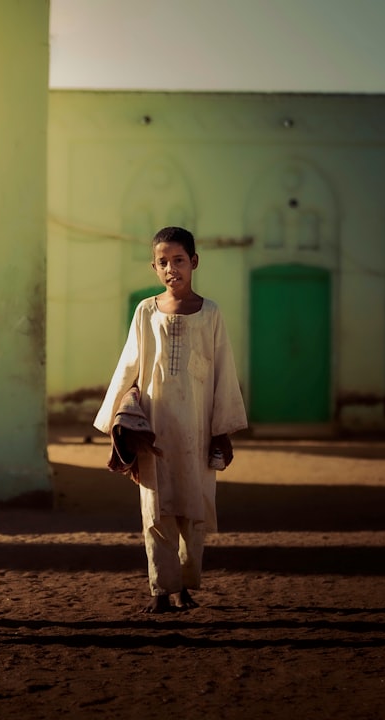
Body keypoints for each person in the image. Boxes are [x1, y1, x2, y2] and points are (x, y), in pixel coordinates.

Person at [94, 226, 247, 613]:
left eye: (178, 260)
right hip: (155, 430)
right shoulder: (146, 311)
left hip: (197, 430)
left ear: (194, 262)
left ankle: (184, 586)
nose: (171, 268)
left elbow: (224, 374)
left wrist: (222, 431)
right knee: (155, 509)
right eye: (162, 262)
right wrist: (117, 421)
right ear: (154, 267)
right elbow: (129, 365)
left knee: (193, 509)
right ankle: (161, 590)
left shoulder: (210, 314)